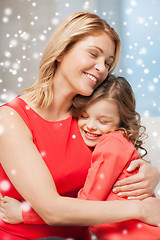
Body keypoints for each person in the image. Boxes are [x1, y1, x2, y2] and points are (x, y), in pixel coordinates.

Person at [0, 11, 160, 240]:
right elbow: (51, 210)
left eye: (108, 63)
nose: (102, 68)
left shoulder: (88, 121)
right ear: (62, 51)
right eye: (93, 54)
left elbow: (117, 161)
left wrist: (151, 173)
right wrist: (141, 209)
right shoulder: (10, 119)